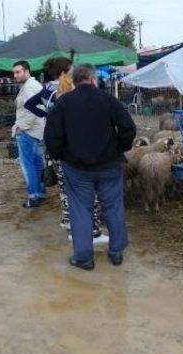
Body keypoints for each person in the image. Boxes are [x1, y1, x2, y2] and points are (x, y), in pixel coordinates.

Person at [45, 64, 136, 270]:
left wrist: (61, 155)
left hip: (77, 168)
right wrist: (119, 148)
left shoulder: (63, 103)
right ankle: (116, 251)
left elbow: (51, 137)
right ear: (94, 79)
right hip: (109, 166)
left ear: (75, 81)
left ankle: (84, 257)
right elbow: (128, 128)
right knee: (113, 207)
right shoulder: (108, 100)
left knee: (80, 210)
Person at [25, 57, 109, 245]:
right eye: (71, 69)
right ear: (63, 72)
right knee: (84, 189)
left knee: (65, 188)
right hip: (69, 145)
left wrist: (46, 114)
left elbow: (29, 104)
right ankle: (90, 232)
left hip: (53, 143)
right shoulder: (62, 91)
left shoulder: (46, 89)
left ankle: (68, 224)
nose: (74, 71)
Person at [11, 60, 46, 208]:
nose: (15, 75)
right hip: (37, 131)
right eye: (14, 72)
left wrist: (22, 127)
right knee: (38, 164)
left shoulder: (29, 87)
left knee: (28, 165)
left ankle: (33, 196)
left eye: (18, 72)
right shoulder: (34, 85)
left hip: (29, 132)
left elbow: (35, 109)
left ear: (26, 71)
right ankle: (40, 193)